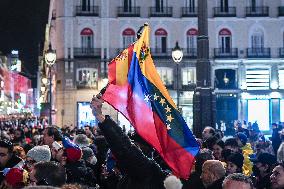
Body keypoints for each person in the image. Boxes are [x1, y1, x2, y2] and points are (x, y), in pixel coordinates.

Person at [90, 95, 168, 189]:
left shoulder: (148, 169)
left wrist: (100, 117)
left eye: (134, 145)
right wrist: (112, 178)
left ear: (142, 149)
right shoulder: (132, 173)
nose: (132, 146)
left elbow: (123, 145)